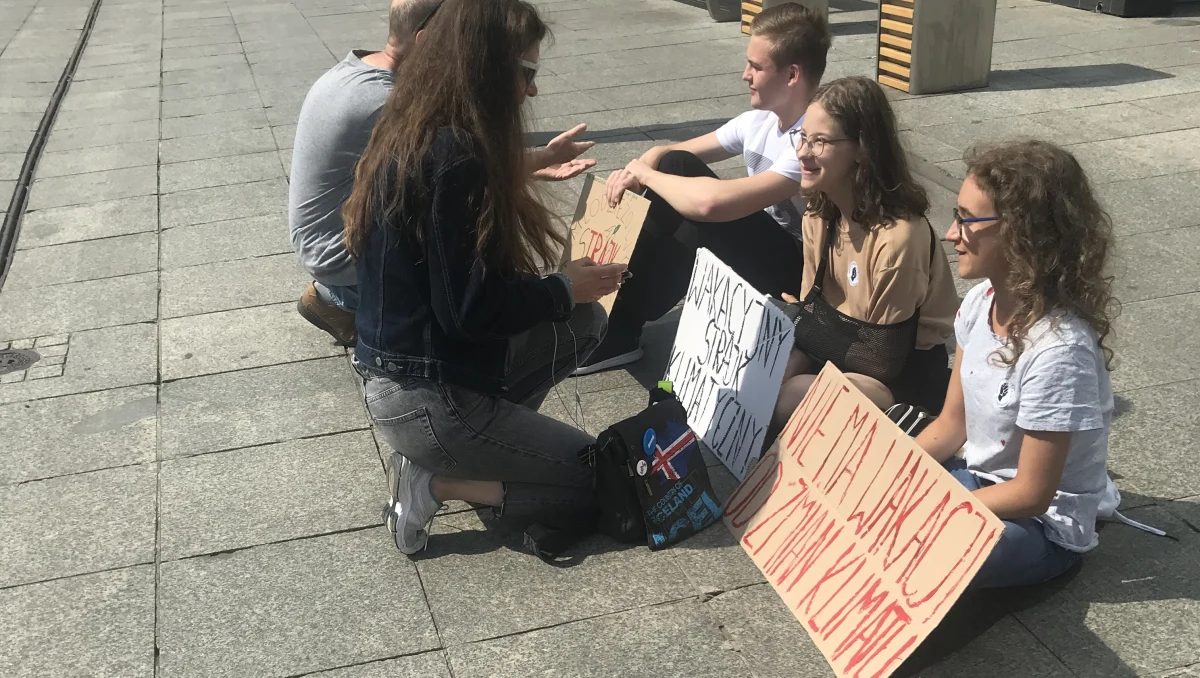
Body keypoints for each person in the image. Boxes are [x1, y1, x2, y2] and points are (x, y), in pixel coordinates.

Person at [342, 0, 627, 555]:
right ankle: (436, 480)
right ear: (485, 68)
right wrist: (561, 287)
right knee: (598, 481)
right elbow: (469, 311)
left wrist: (568, 296)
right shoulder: (456, 155)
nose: (531, 91)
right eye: (526, 73)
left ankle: (482, 450)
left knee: (584, 321)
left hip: (404, 378)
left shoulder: (415, 125)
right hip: (432, 399)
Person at [290, 0, 598, 346]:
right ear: (429, 41)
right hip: (342, 257)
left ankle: (342, 298)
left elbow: (434, 174)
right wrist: (557, 291)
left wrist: (534, 160)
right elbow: (449, 173)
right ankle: (346, 300)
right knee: (481, 291)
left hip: (327, 245)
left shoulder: (357, 70)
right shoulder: (392, 103)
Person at [573, 3, 832, 375]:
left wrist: (646, 176)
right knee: (676, 174)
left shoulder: (812, 141)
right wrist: (639, 168)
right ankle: (611, 316)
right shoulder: (759, 121)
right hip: (770, 249)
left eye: (756, 67)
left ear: (792, 75)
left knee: (693, 213)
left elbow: (712, 206)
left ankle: (619, 327)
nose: (745, 75)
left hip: (800, 274)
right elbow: (671, 154)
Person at [915, 140, 1117, 589]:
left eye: (967, 220)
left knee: (929, 551)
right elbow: (951, 426)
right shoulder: (978, 302)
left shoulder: (1060, 351)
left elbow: (1032, 492)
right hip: (977, 482)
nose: (951, 234)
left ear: (1019, 233)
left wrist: (933, 509)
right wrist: (893, 473)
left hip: (1041, 526)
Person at [770, 76, 958, 437]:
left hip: (904, 377)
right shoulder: (818, 217)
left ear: (861, 150)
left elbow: (879, 360)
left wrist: (804, 323)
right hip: (846, 353)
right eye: (802, 137)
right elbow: (812, 318)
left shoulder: (898, 239)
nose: (802, 152)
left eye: (819, 141)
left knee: (792, 395)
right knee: (770, 371)